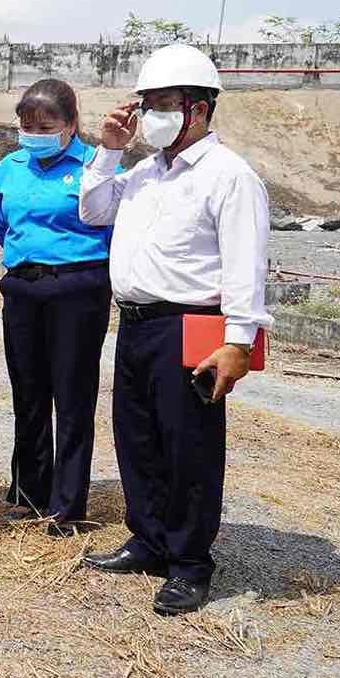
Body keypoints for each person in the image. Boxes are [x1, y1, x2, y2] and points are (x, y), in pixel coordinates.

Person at [78, 43, 271, 615]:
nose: (151, 115)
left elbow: (245, 265)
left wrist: (238, 343)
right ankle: (149, 538)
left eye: (163, 104)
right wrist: (108, 152)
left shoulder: (229, 176)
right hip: (136, 323)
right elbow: (92, 211)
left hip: (193, 325)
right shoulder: (143, 173)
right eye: (147, 104)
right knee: (137, 438)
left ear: (199, 109)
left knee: (188, 446)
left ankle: (189, 562)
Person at [0, 79, 114, 539]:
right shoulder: (10, 166)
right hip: (23, 288)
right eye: (27, 125)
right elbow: (0, 224)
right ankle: (29, 490)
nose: (35, 133)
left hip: (77, 290)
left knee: (73, 397)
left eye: (46, 125)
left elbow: (111, 227)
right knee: (28, 392)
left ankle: (67, 503)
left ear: (72, 124)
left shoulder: (93, 167)